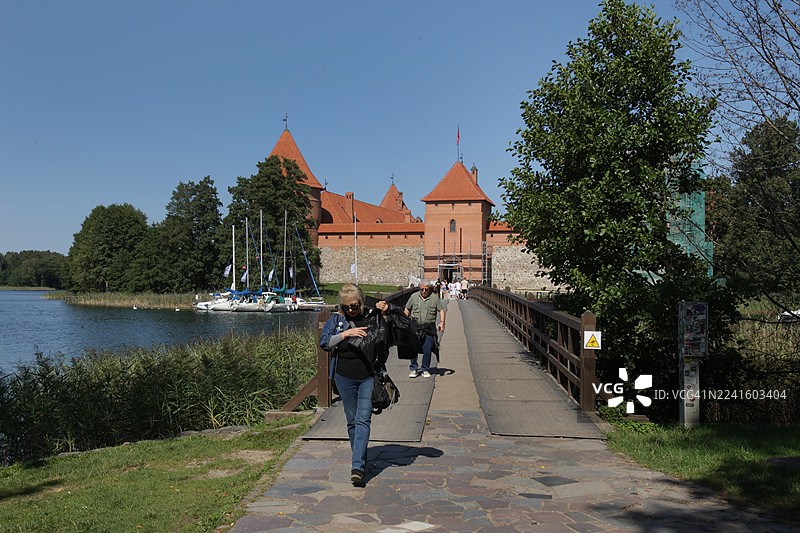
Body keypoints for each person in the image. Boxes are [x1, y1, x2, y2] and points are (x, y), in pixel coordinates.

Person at [320, 283, 389, 485]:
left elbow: (386, 338)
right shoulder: (336, 319)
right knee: (352, 421)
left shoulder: (370, 316)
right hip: (344, 376)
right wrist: (345, 334)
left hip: (368, 376)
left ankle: (357, 466)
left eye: (355, 305)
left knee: (363, 419)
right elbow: (325, 343)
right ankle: (359, 456)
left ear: (361, 301)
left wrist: (384, 316)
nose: (352, 310)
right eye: (348, 306)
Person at [404, 278, 445, 378]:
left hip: (428, 328)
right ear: (419, 289)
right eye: (422, 289)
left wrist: (442, 322)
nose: (424, 291)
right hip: (415, 326)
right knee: (413, 347)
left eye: (426, 289)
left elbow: (441, 310)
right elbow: (407, 309)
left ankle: (425, 368)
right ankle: (413, 369)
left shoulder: (434, 298)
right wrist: (405, 322)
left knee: (427, 347)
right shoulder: (413, 297)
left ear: (429, 288)